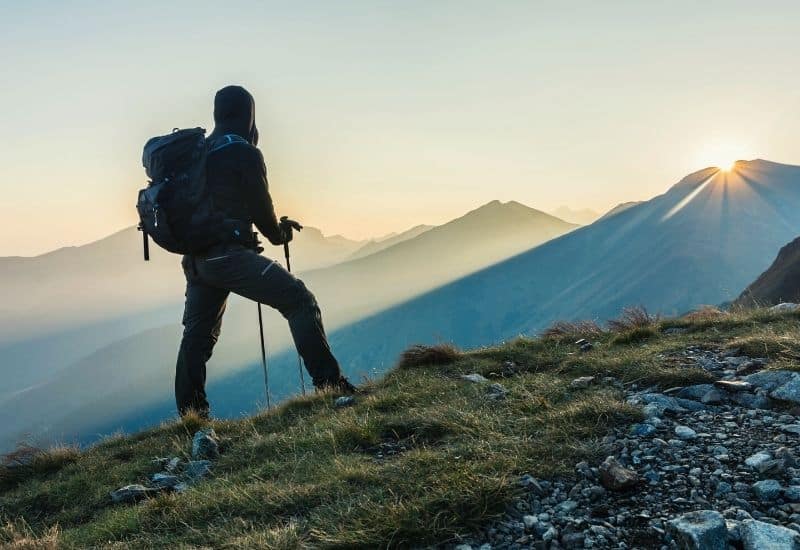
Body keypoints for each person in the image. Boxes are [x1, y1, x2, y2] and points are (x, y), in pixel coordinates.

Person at [174, 85, 355, 417]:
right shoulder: (243, 152)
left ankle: (191, 416)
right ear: (249, 114)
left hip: (197, 260)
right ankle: (331, 386)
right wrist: (281, 233)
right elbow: (265, 218)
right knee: (300, 300)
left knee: (197, 338)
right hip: (228, 256)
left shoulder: (200, 152)